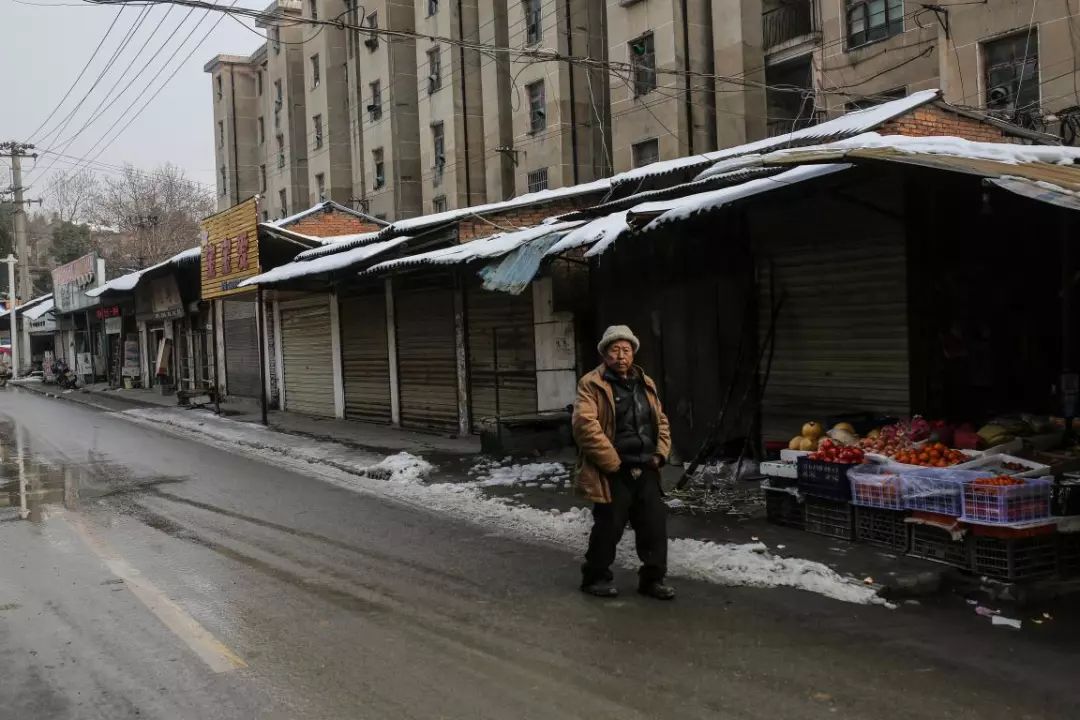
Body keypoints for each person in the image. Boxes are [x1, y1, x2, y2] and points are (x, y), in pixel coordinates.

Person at [572, 325, 675, 600]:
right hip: (614, 470)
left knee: (653, 526)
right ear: (605, 353)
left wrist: (659, 454)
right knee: (609, 527)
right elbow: (585, 425)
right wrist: (612, 462)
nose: (621, 356)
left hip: (647, 467)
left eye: (626, 350)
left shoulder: (646, 382)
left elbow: (661, 421)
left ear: (633, 353)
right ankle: (595, 577)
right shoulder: (592, 383)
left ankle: (652, 580)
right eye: (615, 350)